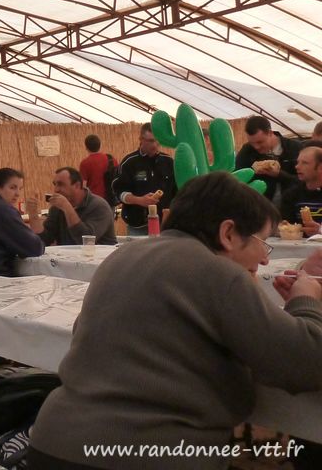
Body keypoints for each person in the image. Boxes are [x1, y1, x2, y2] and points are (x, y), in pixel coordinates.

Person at [27, 172, 322, 470]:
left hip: (53, 443)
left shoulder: (122, 257)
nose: (265, 259)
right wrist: (305, 301)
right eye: (263, 242)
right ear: (228, 233)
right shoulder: (219, 273)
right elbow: (307, 364)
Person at [113, 122, 176, 235]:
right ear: (141, 139)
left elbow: (176, 192)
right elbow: (119, 192)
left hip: (164, 225)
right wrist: (139, 200)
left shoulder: (169, 162)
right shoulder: (129, 162)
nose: (155, 145)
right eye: (150, 141)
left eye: (157, 141)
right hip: (138, 226)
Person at [35, 167, 116, 246]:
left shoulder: (99, 206)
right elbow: (45, 240)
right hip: (67, 254)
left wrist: (67, 208)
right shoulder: (57, 208)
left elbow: (86, 241)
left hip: (102, 254)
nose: (56, 190)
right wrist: (33, 215)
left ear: (77, 185)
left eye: (60, 184)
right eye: (55, 184)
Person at [235, 115, 302, 204]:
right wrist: (253, 171)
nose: (256, 147)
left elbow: (304, 182)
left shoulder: (294, 148)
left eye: (260, 142)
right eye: (252, 143)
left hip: (292, 205)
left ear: (270, 133)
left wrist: (279, 174)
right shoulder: (247, 151)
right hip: (260, 206)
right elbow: (237, 178)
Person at [280, 144, 322, 235]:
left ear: (320, 167)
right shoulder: (291, 195)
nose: (297, 167)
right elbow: (286, 225)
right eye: (298, 162)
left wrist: (320, 230)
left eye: (305, 163)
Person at [78, 134, 110, 200]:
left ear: (86, 147)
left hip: (94, 200)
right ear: (100, 145)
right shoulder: (111, 159)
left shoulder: (85, 163)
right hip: (110, 198)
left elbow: (83, 186)